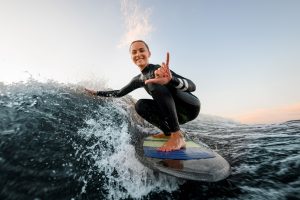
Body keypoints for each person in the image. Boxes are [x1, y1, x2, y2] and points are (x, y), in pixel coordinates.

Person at [85, 40, 200, 152]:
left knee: (151, 82)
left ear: (149, 53)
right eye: (134, 52)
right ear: (131, 56)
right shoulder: (137, 80)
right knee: (140, 105)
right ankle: (168, 132)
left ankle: (177, 136)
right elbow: (119, 93)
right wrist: (96, 93)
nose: (138, 54)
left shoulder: (157, 69)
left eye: (141, 50)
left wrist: (170, 80)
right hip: (176, 114)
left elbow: (192, 86)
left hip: (190, 107)